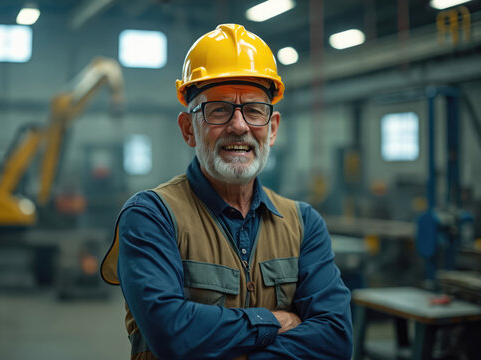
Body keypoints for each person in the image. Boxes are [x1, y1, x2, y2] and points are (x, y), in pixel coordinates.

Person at [101, 23, 353, 360]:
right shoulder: (151, 216)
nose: (238, 126)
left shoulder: (303, 223)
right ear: (188, 128)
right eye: (218, 109)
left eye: (253, 110)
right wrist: (271, 322)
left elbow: (336, 338)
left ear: (273, 128)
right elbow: (171, 335)